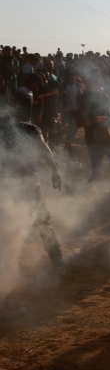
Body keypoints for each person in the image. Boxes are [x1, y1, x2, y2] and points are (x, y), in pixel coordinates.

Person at [0, 113, 66, 275]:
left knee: (7, 223)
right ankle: (58, 263)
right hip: (28, 181)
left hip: (6, 184)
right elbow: (43, 148)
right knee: (42, 221)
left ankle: (8, 266)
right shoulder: (29, 128)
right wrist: (54, 170)